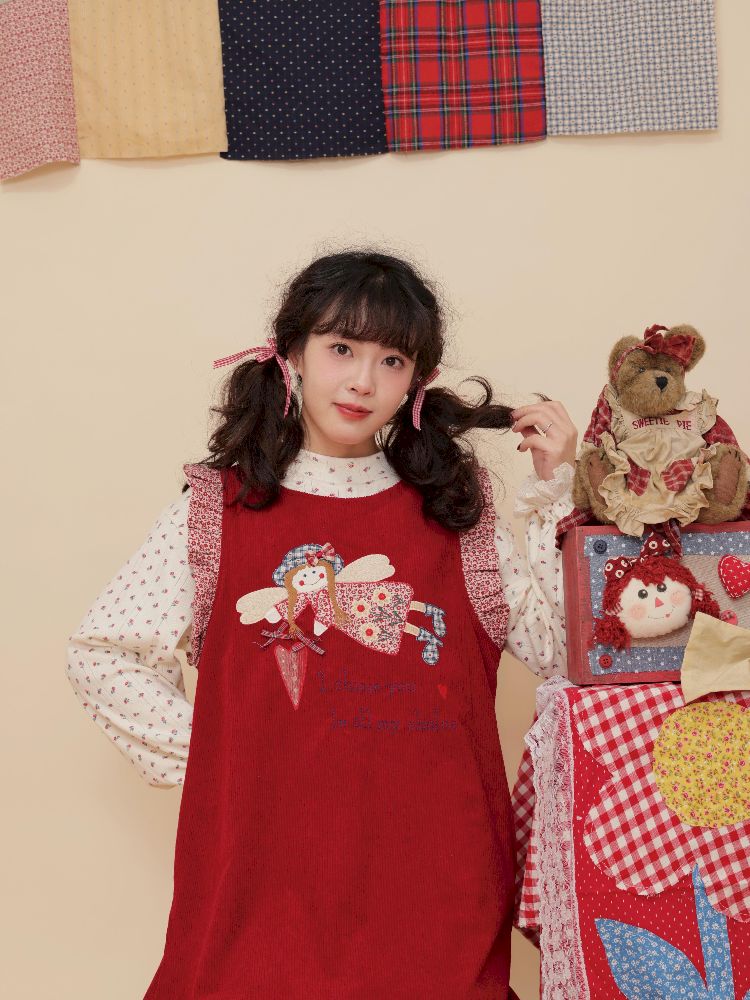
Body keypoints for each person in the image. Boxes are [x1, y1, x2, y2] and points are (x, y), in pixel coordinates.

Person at [66, 249, 577, 999]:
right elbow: (102, 653)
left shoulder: (458, 512)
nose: (363, 381)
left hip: (436, 878)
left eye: (392, 360)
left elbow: (566, 657)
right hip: (261, 883)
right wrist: (220, 757)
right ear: (291, 355)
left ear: (418, 381)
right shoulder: (217, 511)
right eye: (341, 348)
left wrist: (556, 492)